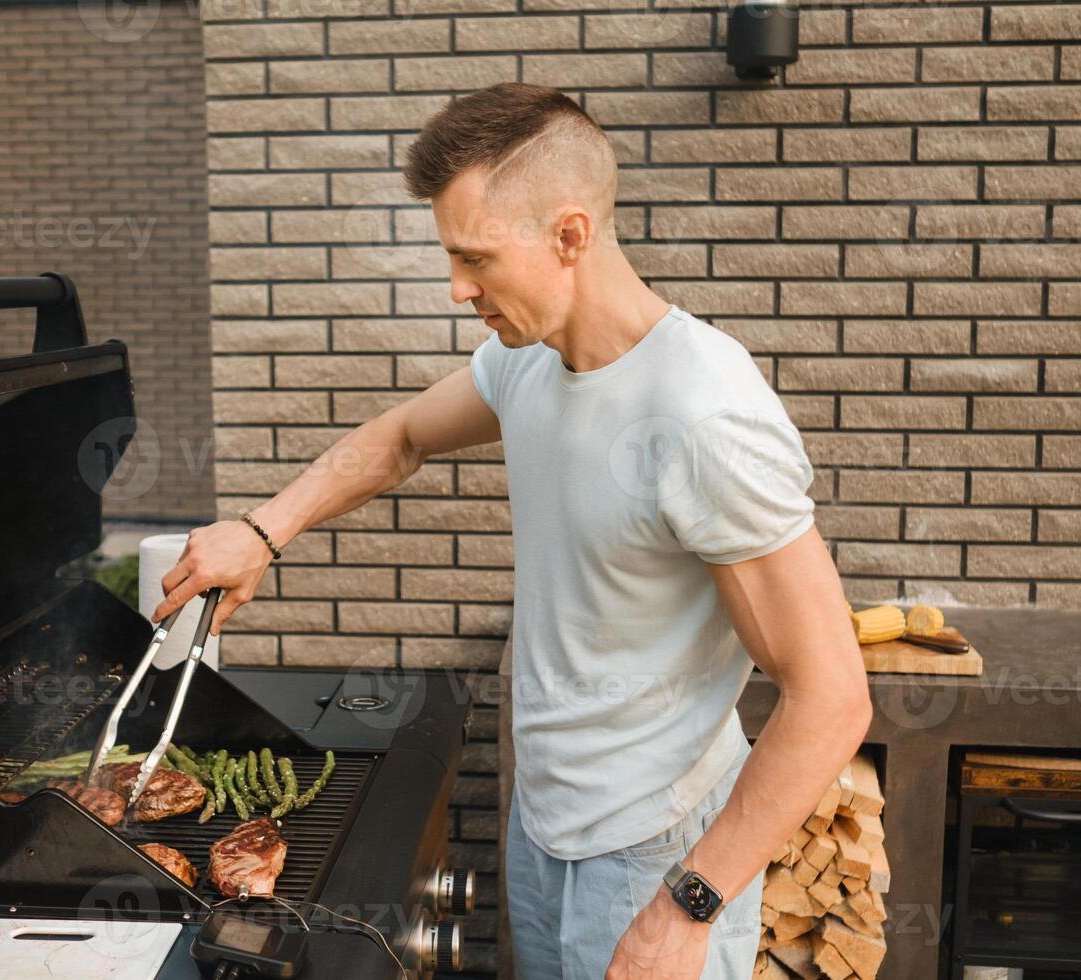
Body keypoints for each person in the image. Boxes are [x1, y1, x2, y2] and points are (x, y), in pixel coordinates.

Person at [155, 82, 872, 979]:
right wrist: (262, 531)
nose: (458, 289)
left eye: (476, 259)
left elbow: (834, 695)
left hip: (655, 846)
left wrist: (689, 906)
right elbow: (403, 437)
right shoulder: (526, 359)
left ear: (569, 236)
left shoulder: (704, 414)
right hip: (544, 822)